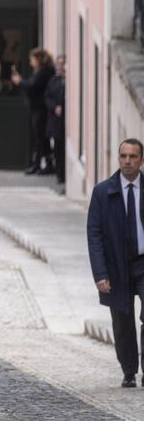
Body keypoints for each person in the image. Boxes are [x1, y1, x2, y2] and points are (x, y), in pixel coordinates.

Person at [87, 139, 144, 388]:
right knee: (122, 321)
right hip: (116, 266)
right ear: (118, 158)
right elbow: (94, 234)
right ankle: (129, 370)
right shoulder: (103, 192)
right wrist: (100, 273)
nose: (127, 161)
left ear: (141, 159)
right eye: (123, 156)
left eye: (133, 156)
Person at [12, 48, 55, 174]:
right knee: (38, 138)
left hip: (40, 109)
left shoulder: (44, 72)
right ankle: (40, 164)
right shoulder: (39, 71)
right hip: (36, 108)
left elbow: (32, 86)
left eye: (32, 59)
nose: (30, 61)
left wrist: (20, 82)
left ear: (38, 59)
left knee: (40, 138)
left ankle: (44, 164)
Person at [45, 55, 66, 185]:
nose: (61, 66)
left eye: (63, 63)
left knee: (63, 148)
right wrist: (54, 107)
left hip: (65, 121)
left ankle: (64, 174)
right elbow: (47, 97)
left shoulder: (69, 81)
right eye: (59, 64)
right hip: (56, 121)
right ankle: (59, 174)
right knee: (57, 148)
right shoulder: (53, 80)